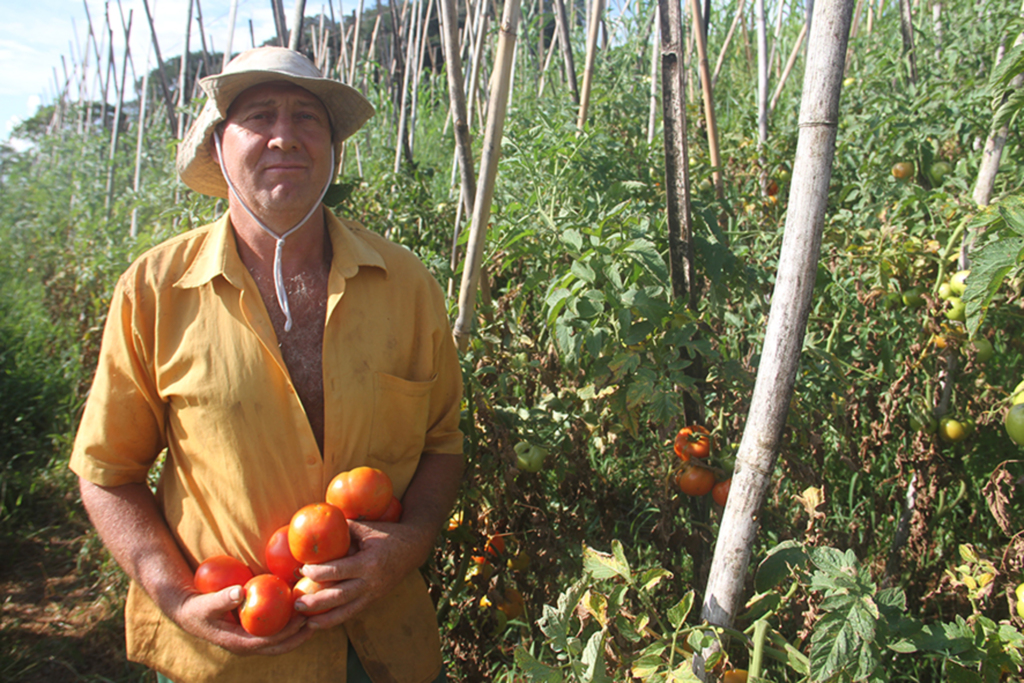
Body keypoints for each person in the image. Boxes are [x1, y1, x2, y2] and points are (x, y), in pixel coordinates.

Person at [70, 47, 465, 683]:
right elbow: (107, 472)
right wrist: (175, 597)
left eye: (307, 117)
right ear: (217, 147)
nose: (286, 135)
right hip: (224, 657)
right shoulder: (154, 290)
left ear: (333, 150)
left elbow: (442, 443)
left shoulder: (405, 284)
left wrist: (409, 543)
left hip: (384, 647)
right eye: (259, 115)